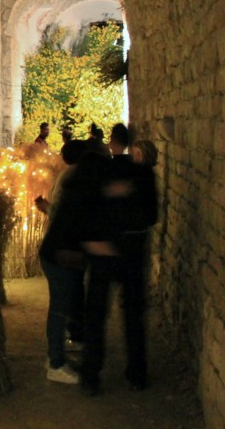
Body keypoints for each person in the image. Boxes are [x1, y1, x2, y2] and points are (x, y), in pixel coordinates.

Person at [78, 124, 158, 396]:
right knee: (134, 315)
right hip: (134, 250)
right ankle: (137, 374)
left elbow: (89, 209)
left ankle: (91, 375)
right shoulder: (145, 175)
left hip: (104, 249)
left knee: (96, 314)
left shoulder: (102, 172)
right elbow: (152, 216)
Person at [36, 138, 91, 384]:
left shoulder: (71, 179)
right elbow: (66, 219)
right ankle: (55, 363)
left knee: (62, 305)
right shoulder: (75, 181)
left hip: (57, 253)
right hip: (59, 255)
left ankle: (56, 357)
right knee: (59, 308)